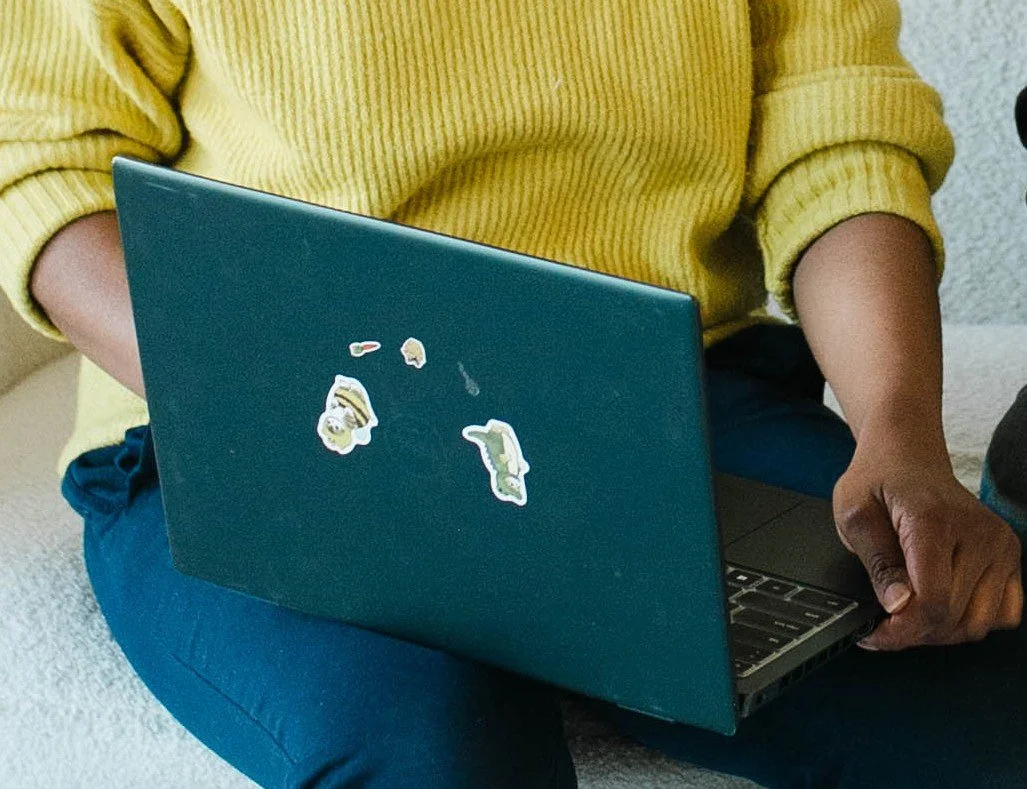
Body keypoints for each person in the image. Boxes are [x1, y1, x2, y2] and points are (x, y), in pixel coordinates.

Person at [1, 1, 1025, 787]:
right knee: (426, 753)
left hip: (653, 410)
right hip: (263, 423)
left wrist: (901, 437)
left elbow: (839, 146)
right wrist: (268, 406)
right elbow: (43, 166)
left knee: (990, 706)